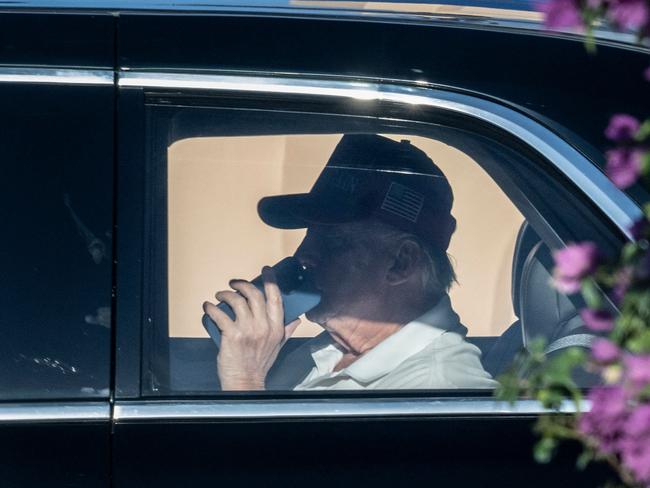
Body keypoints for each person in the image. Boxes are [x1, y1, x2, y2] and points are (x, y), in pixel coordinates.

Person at [202, 134, 496, 391]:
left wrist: (245, 382)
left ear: (401, 263)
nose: (303, 254)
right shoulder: (329, 350)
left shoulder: (441, 390)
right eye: (309, 235)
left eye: (334, 241)